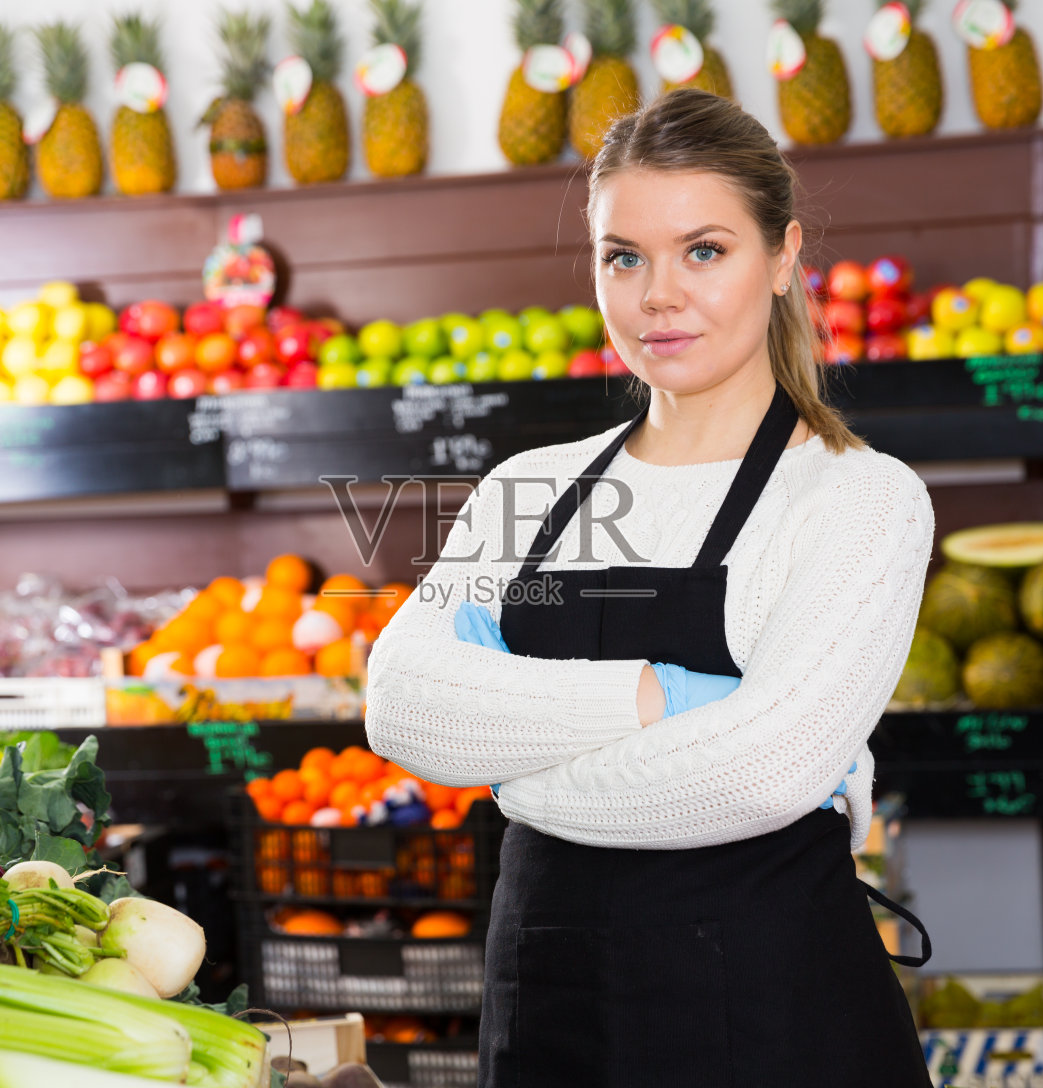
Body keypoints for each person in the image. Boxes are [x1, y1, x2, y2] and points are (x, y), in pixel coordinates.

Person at [364, 89, 934, 1087]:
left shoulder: (857, 498)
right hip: (550, 1012)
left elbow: (762, 774)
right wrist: (666, 698)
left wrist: (509, 774)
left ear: (784, 256)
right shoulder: (527, 488)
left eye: (703, 250)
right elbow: (403, 704)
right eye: (623, 257)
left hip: (775, 1020)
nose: (657, 295)